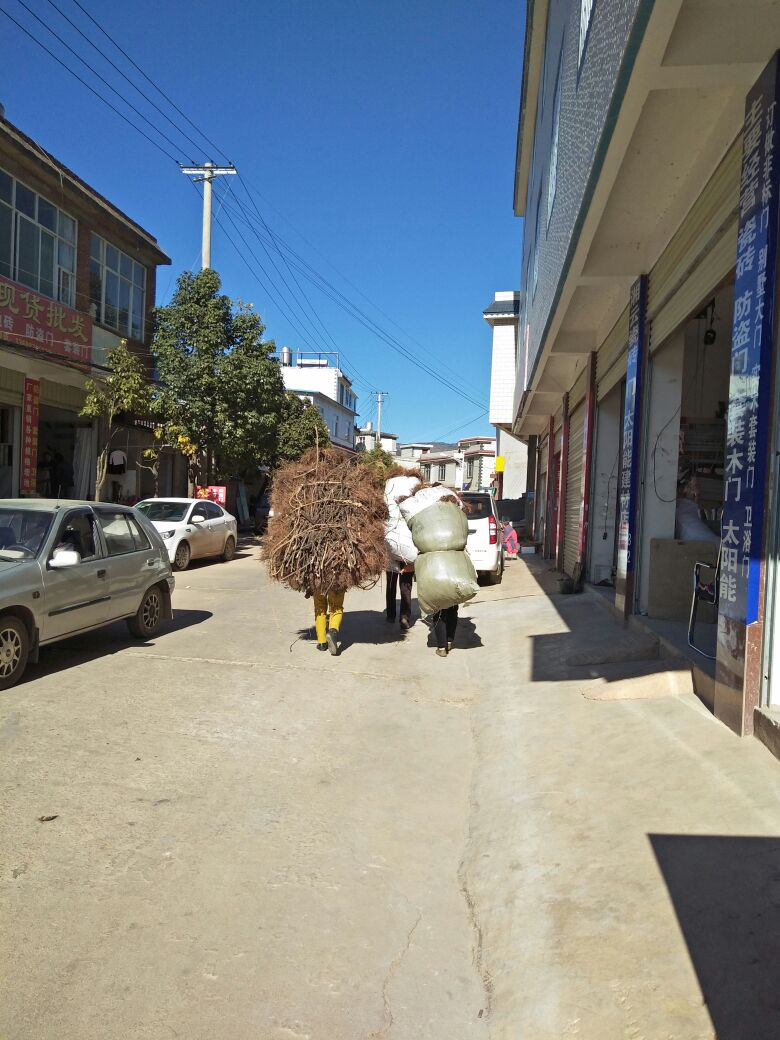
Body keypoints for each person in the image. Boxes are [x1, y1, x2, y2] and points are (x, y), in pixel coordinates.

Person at [311, 590, 345, 656]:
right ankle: (332, 631)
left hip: (318, 581)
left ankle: (322, 643)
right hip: (336, 582)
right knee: (336, 607)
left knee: (319, 607)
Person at [385, 564, 414, 629]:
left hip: (392, 557)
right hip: (406, 558)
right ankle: (404, 617)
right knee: (406, 586)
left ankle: (391, 616)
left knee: (391, 585)